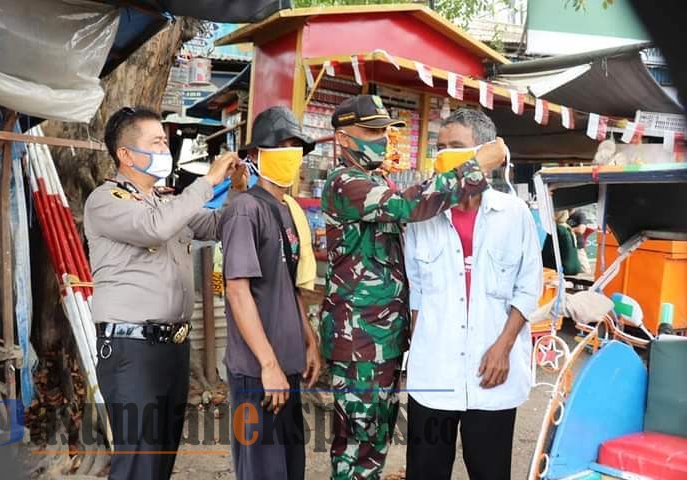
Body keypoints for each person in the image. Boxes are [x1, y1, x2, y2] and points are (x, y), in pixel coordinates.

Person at [320, 95, 507, 480]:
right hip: (357, 341)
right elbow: (408, 206)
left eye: (385, 130)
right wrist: (475, 167)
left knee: (375, 444)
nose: (382, 139)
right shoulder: (345, 183)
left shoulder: (376, 179)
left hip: (383, 338)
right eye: (371, 131)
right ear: (343, 138)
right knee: (357, 450)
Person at [84, 106, 240, 480]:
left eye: (165, 143)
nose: (164, 149)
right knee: (138, 461)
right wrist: (208, 181)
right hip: (132, 351)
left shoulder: (167, 204)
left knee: (160, 462)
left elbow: (220, 224)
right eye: (155, 142)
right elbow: (154, 229)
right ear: (125, 154)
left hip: (172, 349)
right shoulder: (106, 201)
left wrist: (237, 190)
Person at [404, 108, 543, 480]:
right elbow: (416, 292)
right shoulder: (423, 217)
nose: (446, 154)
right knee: (426, 472)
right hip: (434, 379)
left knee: (490, 471)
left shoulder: (513, 214)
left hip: (492, 375)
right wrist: (423, 350)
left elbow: (529, 287)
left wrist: (504, 347)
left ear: (484, 153)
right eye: (440, 147)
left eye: (457, 147)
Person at [218, 106, 321, 480]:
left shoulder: (287, 210)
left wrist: (308, 338)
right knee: (263, 471)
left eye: (296, 147)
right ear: (254, 157)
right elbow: (237, 291)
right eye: (282, 147)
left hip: (287, 364)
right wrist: (269, 365)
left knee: (289, 468)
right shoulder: (245, 210)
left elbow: (288, 285)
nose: (291, 154)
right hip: (257, 371)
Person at [542, 210, 582, 276]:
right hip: (576, 267)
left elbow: (546, 252)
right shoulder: (568, 228)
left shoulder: (556, 229)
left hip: (565, 268)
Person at [568, 208, 591, 274]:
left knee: (585, 270)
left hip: (577, 246)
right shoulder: (563, 214)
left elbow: (581, 230)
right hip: (565, 246)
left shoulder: (580, 215)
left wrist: (570, 229)